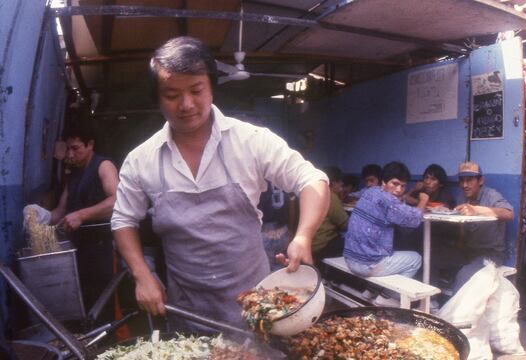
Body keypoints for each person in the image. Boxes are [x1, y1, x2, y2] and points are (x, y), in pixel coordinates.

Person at [110, 36, 329, 331]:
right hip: (188, 310)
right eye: (172, 94)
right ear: (158, 98)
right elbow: (123, 220)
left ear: (212, 87)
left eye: (196, 90)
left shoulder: (250, 140)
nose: (186, 104)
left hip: (256, 305)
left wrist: (303, 236)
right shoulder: (141, 160)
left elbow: (312, 179)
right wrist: (142, 275)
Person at [50, 124, 119, 317]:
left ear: (90, 145)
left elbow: (117, 201)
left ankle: (111, 342)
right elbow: (61, 211)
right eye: (68, 149)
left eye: (76, 148)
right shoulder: (73, 174)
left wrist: (82, 215)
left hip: (103, 247)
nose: (70, 155)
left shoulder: (103, 166)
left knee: (106, 302)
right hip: (80, 249)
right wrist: (42, 215)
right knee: (86, 302)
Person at [343, 161, 428, 306]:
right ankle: (387, 297)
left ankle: (370, 291)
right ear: (383, 182)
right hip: (365, 265)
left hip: (350, 258)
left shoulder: (369, 191)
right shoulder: (388, 201)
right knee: (416, 259)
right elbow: (413, 219)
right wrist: (423, 201)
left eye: (402, 186)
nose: (399, 189)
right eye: (394, 184)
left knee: (391, 251)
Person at [450, 161, 514, 293]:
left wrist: (476, 209)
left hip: (491, 255)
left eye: (469, 180)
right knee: (434, 258)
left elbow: (509, 214)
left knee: (464, 274)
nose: (464, 185)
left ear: (480, 181)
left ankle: (456, 313)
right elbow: (462, 223)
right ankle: (432, 303)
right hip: (469, 251)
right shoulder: (461, 197)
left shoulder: (491, 195)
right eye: (461, 180)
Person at [312, 166, 349, 263]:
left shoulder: (313, 193)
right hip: (323, 246)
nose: (342, 184)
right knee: (356, 242)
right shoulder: (330, 196)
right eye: (340, 181)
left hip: (311, 244)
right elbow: (345, 224)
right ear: (333, 183)